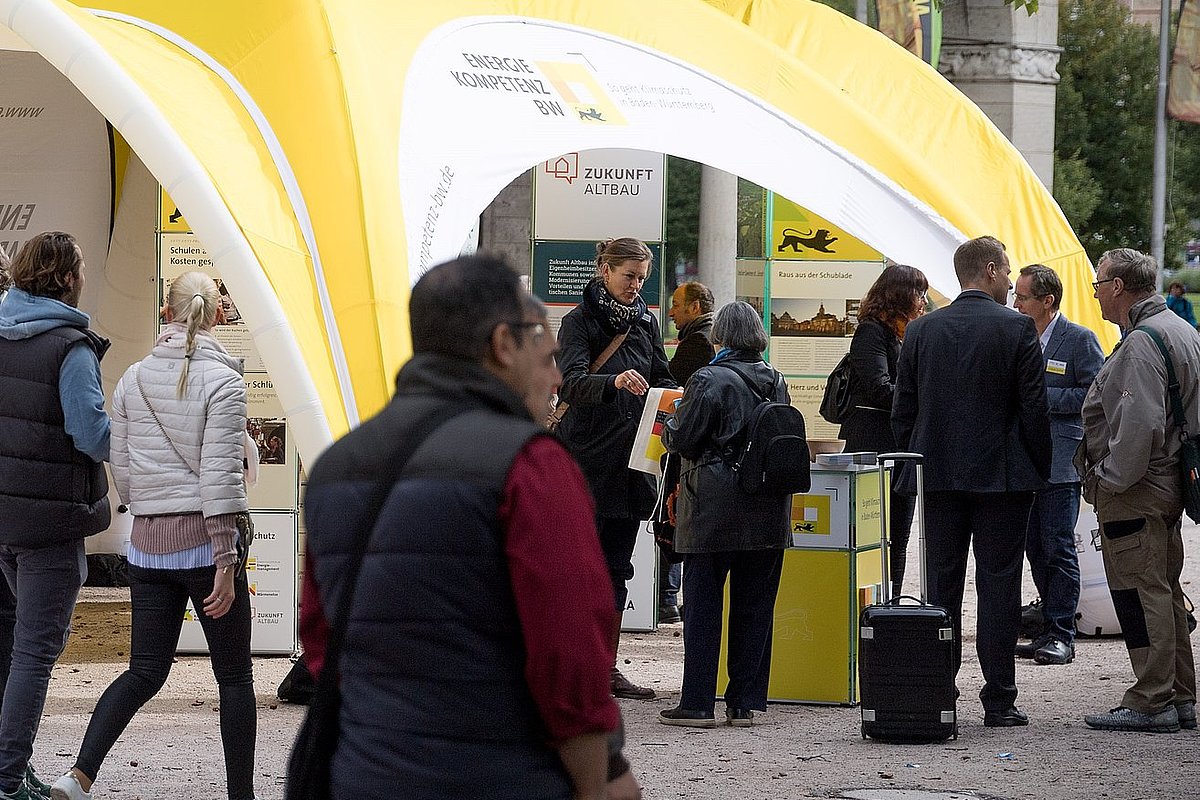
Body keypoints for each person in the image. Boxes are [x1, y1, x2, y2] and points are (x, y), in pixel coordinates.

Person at [300, 255, 640, 799]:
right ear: (504, 344)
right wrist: (597, 782)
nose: (556, 376)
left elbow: (322, 641)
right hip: (500, 775)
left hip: (364, 773)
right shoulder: (532, 464)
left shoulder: (336, 466)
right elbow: (570, 659)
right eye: (543, 350)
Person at [51, 271, 255, 800]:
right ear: (215, 316)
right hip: (207, 548)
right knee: (234, 679)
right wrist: (227, 562)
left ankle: (79, 776)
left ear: (167, 312)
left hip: (145, 546)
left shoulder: (133, 378)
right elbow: (220, 479)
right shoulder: (226, 383)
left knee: (143, 672)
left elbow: (123, 464)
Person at [892, 235, 1051, 728]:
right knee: (999, 586)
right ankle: (999, 698)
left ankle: (940, 692)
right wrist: (1037, 470)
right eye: (1006, 272)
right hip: (1002, 479)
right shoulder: (1018, 327)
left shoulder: (921, 331)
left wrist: (910, 470)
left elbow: (904, 411)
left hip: (937, 475)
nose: (1009, 281)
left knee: (941, 586)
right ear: (988, 270)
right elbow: (1033, 410)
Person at [0, 231, 110, 800]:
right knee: (35, 653)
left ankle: (12, 766)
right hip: (51, 521)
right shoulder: (70, 346)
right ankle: (7, 778)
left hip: (4, 520)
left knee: (13, 647)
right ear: (67, 279)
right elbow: (91, 436)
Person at [1078, 248, 1199, 733]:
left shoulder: (1143, 342)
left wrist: (1106, 479)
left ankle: (1152, 699)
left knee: (1140, 590)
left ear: (1119, 287)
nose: (1097, 294)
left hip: (1138, 488)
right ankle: (1180, 695)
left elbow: (1139, 428)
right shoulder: (1179, 330)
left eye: (1099, 285)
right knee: (1164, 589)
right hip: (1166, 482)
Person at [659, 301, 792, 728]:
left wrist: (670, 419)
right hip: (768, 508)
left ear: (721, 337)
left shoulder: (707, 378)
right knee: (756, 608)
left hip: (712, 510)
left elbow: (683, 438)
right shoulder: (777, 379)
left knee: (702, 608)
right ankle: (744, 703)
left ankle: (697, 703)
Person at [556, 237, 676, 700]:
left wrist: (675, 396)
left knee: (616, 570)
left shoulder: (645, 321)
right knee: (576, 570)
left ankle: (604, 670)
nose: (636, 285)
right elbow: (571, 382)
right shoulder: (579, 321)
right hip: (585, 464)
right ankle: (570, 669)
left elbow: (662, 378)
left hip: (631, 467)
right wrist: (614, 382)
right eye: (629, 275)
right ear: (604, 270)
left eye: (642, 278)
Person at [1011, 264, 1104, 666]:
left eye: (1023, 296)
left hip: (1061, 461)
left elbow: (1095, 396)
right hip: (1022, 461)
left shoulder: (1079, 339)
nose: (1015, 303)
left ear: (1047, 301)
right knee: (1034, 548)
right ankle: (1048, 625)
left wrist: (1039, 399)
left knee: (1058, 548)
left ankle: (1063, 634)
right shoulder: (1016, 336)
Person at [837, 264, 928, 597]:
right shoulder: (872, 332)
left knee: (897, 538)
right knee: (875, 536)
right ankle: (874, 607)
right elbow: (880, 388)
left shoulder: (901, 334)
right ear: (900, 294)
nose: (923, 301)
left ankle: (891, 604)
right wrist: (923, 398)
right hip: (874, 448)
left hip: (897, 449)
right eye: (919, 292)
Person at [658, 280, 716, 624]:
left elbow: (670, 383)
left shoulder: (696, 343)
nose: (672, 312)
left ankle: (666, 599)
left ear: (695, 307)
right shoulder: (705, 339)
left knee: (673, 514)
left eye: (678, 305)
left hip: (686, 445)